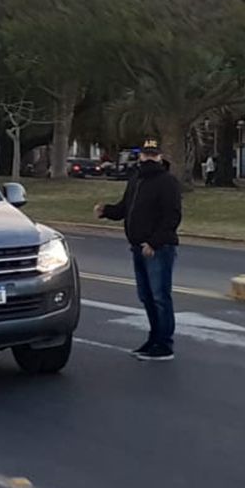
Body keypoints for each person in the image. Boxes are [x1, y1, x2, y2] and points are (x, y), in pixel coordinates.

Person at [94, 139, 183, 361]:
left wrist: (154, 243)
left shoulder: (167, 182)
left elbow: (172, 216)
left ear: (160, 157)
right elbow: (125, 208)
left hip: (157, 249)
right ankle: (153, 339)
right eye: (146, 154)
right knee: (147, 297)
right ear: (141, 156)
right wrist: (107, 211)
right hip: (137, 248)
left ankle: (164, 344)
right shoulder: (136, 180)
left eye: (153, 154)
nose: (149, 158)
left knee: (160, 296)